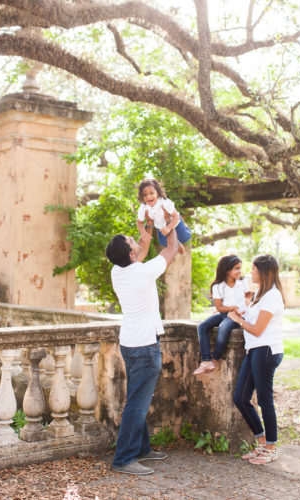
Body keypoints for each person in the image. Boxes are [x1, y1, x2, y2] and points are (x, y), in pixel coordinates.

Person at [105, 212, 178, 476]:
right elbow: (172, 248)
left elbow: (142, 250)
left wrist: (146, 229)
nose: (136, 241)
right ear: (132, 255)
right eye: (132, 241)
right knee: (137, 402)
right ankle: (124, 459)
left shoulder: (118, 270)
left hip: (129, 343)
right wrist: (170, 221)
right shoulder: (143, 272)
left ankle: (143, 448)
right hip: (145, 347)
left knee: (138, 397)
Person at [228, 254, 285, 465]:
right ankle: (261, 442)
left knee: (264, 400)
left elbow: (259, 329)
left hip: (267, 350)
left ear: (262, 271)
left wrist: (238, 320)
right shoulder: (261, 295)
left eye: (253, 269)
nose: (250, 272)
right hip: (254, 350)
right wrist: (242, 309)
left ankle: (271, 448)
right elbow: (253, 320)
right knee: (241, 398)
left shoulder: (273, 296)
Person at [193, 255, 250, 375]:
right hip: (225, 313)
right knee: (202, 326)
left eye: (240, 268)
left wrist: (243, 309)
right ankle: (206, 361)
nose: (239, 271)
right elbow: (219, 307)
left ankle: (215, 359)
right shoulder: (217, 286)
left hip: (239, 316)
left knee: (223, 327)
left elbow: (248, 297)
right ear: (227, 269)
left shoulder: (243, 281)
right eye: (236, 268)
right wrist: (232, 308)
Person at [137, 178, 191, 253]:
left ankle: (186, 228)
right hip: (161, 227)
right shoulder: (143, 207)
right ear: (141, 196)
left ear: (158, 193)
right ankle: (177, 243)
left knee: (185, 238)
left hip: (174, 223)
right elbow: (139, 223)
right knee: (163, 243)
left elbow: (175, 216)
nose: (149, 197)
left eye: (151, 193)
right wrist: (143, 233)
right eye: (145, 195)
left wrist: (168, 228)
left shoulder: (164, 202)